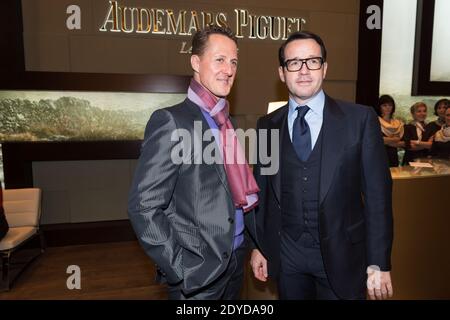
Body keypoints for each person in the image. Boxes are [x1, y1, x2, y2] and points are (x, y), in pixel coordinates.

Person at [250, 31, 394, 300]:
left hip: (343, 257)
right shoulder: (267, 125)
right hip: (287, 257)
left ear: (324, 68)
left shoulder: (359, 120)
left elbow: (378, 198)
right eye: (294, 63)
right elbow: (263, 194)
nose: (303, 70)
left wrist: (379, 261)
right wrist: (260, 246)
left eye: (312, 61)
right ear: (282, 72)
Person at [128, 25, 259, 300]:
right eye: (220, 59)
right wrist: (179, 267)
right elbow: (144, 205)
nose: (229, 69)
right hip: (198, 274)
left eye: (234, 61)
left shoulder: (225, 120)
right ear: (196, 62)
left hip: (235, 263)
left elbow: (234, 195)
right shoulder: (171, 121)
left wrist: (252, 246)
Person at [374, 95, 405, 167]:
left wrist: (386, 141)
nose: (388, 107)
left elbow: (405, 143)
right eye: (384, 105)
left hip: (394, 156)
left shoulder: (398, 123)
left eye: (390, 105)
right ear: (379, 107)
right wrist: (395, 139)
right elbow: (375, 139)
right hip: (379, 155)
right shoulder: (375, 122)